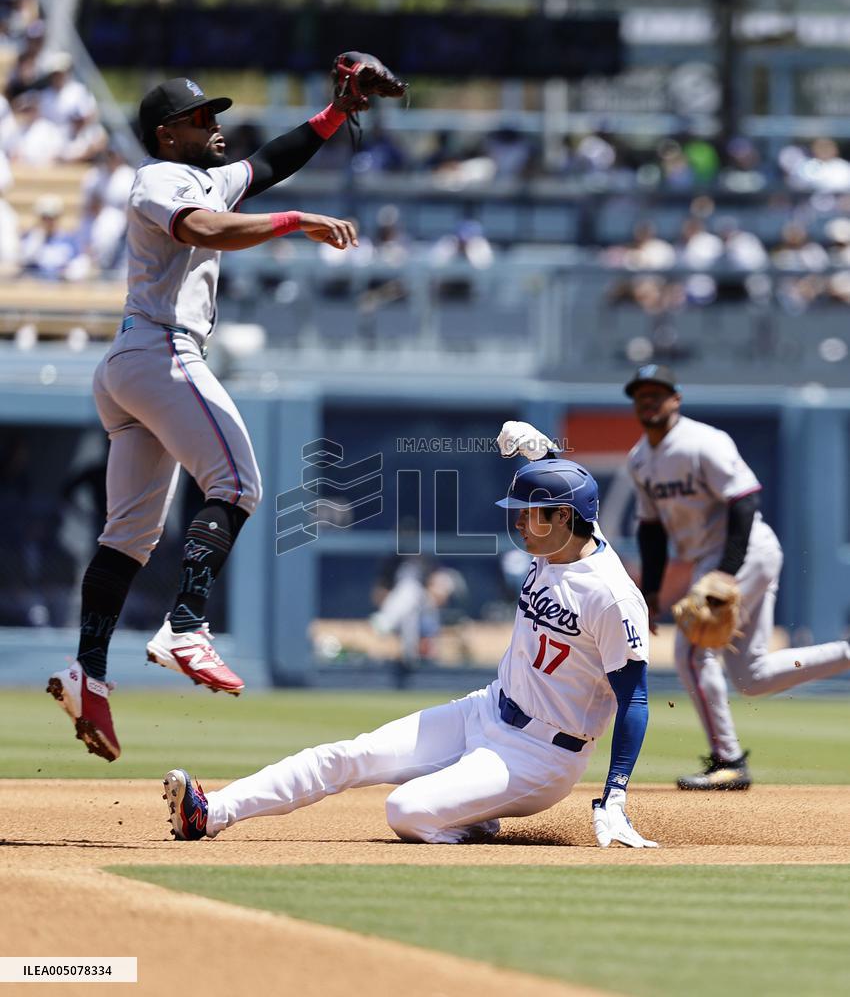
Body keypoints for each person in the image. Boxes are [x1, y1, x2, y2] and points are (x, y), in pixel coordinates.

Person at [46, 74, 365, 762]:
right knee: (239, 484)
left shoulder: (205, 176)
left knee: (129, 537)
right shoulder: (158, 178)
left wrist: (335, 112)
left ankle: (87, 674)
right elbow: (205, 229)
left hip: (135, 362)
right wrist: (296, 222)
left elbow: (272, 160)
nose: (213, 124)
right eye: (198, 118)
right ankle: (186, 626)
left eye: (212, 113)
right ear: (167, 135)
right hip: (160, 349)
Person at [163, 454, 657, 849]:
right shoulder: (556, 544)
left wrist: (614, 794)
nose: (520, 523)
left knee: (407, 810)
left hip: (541, 756)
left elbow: (634, 699)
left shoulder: (611, 596)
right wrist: (541, 451)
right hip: (486, 709)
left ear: (565, 517)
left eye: (530, 513)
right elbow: (568, 491)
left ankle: (470, 818)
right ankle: (210, 813)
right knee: (348, 756)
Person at [623, 364, 850, 788]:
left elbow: (744, 502)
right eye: (641, 395)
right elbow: (651, 529)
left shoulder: (703, 442)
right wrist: (651, 593)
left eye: (657, 393)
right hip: (713, 559)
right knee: (752, 676)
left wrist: (727, 572)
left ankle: (728, 761)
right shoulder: (640, 459)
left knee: (691, 650)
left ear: (676, 399)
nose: (648, 401)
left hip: (744, 551)